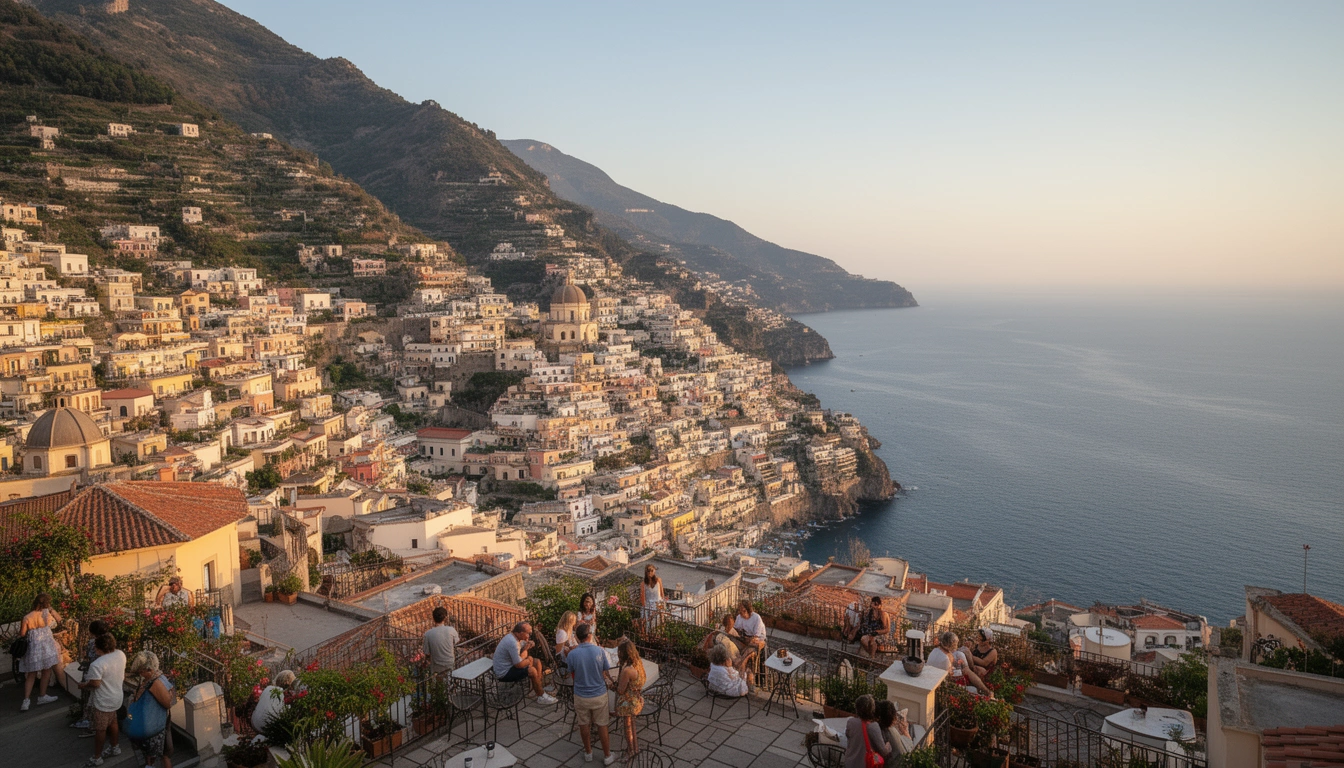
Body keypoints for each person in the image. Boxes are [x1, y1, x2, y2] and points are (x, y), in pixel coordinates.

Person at [564, 623, 616, 765]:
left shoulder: (573, 654)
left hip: (581, 695)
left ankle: (588, 752)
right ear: (590, 636)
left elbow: (570, 670)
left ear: (578, 638)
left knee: (584, 724)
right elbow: (605, 669)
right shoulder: (599, 651)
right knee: (602, 725)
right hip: (598, 694)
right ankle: (607, 755)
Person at [80, 633, 126, 767]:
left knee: (100, 729)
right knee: (113, 722)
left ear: (100, 648)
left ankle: (97, 757)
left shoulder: (97, 664)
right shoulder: (120, 654)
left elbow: (95, 684)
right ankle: (115, 747)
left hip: (103, 700)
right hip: (117, 696)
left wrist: (84, 685)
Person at [126, 651, 177, 768]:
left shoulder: (156, 682)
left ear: (148, 669)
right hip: (154, 723)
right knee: (159, 755)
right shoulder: (156, 677)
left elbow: (167, 703)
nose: (140, 673)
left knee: (158, 756)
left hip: (155, 725)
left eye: (141, 671)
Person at [18, 593, 63, 712]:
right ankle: (42, 696)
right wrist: (51, 609)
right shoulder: (46, 614)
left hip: (33, 648)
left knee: (31, 674)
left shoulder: (27, 617)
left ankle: (26, 701)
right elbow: (59, 620)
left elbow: (22, 634)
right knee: (46, 671)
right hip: (47, 646)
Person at [492, 621, 556, 704]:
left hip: (511, 666)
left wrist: (528, 644)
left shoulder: (515, 637)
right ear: (520, 633)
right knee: (532, 670)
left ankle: (537, 687)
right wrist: (528, 658)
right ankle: (541, 696)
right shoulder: (512, 643)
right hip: (504, 673)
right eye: (528, 633)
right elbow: (519, 664)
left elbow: (522, 651)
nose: (529, 636)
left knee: (537, 662)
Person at [72, 620, 111, 731]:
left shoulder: (92, 643)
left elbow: (89, 657)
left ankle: (87, 719)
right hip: (105, 673)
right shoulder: (109, 641)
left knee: (88, 697)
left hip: (93, 672)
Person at [613, 640, 645, 756]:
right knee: (633, 726)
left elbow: (620, 690)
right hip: (638, 699)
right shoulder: (638, 663)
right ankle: (635, 749)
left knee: (627, 728)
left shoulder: (627, 670)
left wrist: (610, 684)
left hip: (629, 703)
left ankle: (630, 751)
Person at [843, 694, 891, 768]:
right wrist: (888, 745)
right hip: (865, 764)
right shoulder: (873, 726)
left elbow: (848, 736)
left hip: (850, 763)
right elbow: (883, 751)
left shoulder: (851, 722)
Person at [732, 599, 767, 685]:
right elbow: (736, 629)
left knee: (746, 654)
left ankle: (743, 674)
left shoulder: (756, 618)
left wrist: (747, 639)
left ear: (749, 611)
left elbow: (756, 637)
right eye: (740, 611)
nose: (741, 613)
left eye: (743, 611)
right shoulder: (739, 617)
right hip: (745, 638)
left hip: (757, 640)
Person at [422, 607, 461, 676]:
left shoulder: (427, 634)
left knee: (439, 680)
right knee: (451, 678)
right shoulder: (451, 630)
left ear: (433, 618)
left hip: (437, 664)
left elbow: (427, 653)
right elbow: (457, 642)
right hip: (449, 662)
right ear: (445, 618)